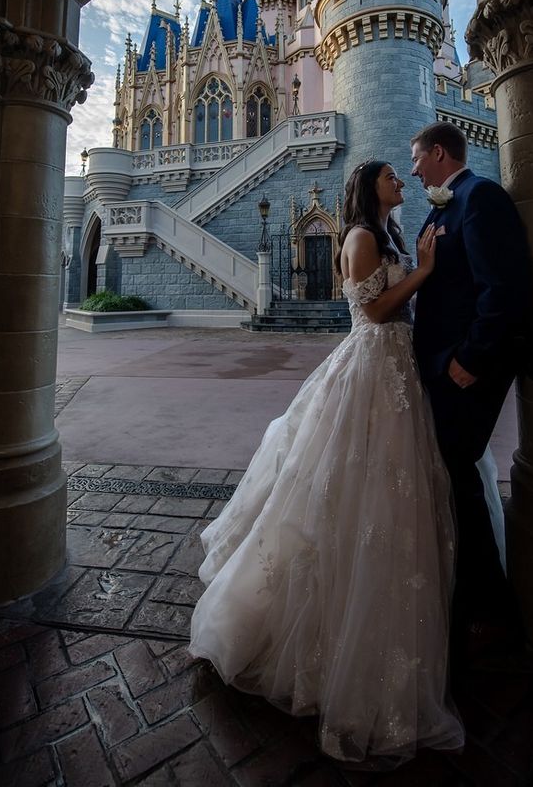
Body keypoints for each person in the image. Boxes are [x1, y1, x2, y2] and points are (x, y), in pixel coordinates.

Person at [189, 160, 465, 764]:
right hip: (371, 367)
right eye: (393, 177)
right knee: (349, 488)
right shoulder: (362, 237)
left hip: (393, 372)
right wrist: (422, 272)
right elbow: (372, 312)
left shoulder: (388, 232)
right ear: (370, 188)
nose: (402, 182)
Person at [410, 122, 533, 657]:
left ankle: (492, 611)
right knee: (454, 474)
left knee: (459, 474)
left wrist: (471, 358)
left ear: (440, 152)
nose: (414, 168)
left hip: (466, 366)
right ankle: (471, 590)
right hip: (445, 364)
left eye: (417, 158)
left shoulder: (480, 195)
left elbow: (504, 287)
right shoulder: (448, 202)